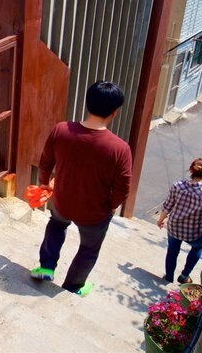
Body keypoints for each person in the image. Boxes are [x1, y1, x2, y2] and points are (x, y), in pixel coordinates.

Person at [29, 81, 133, 296]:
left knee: (56, 225)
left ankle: (46, 268)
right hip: (95, 212)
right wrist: (111, 207)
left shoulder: (61, 130)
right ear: (115, 112)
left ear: (87, 104)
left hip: (62, 200)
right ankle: (73, 286)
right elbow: (123, 189)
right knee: (88, 248)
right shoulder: (120, 148)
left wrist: (43, 183)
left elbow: (46, 161)